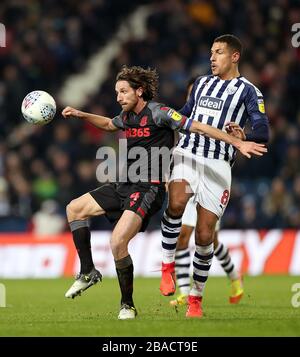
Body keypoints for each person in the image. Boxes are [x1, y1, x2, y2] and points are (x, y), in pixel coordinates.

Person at [62, 65, 266, 320]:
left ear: (140, 91)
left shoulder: (161, 113)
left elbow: (199, 127)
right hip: (122, 184)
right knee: (74, 208)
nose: (119, 97)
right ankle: (88, 271)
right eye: (117, 92)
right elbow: (107, 124)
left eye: (123, 92)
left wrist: (237, 141)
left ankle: (127, 305)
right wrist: (81, 114)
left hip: (148, 188)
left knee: (117, 242)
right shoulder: (126, 117)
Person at [160, 34, 269, 318]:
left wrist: (246, 135)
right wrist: (160, 120)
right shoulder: (200, 84)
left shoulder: (248, 91)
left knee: (205, 235)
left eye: (218, 52)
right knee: (176, 203)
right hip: (188, 153)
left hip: (219, 163)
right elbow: (185, 115)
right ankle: (167, 266)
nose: (212, 57)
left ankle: (196, 298)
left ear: (235, 57)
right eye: (211, 52)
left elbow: (262, 129)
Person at [170, 77, 244, 307]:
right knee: (182, 236)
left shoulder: (216, 123)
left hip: (210, 181)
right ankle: (183, 291)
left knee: (209, 239)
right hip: (187, 178)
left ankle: (234, 277)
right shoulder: (182, 123)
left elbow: (230, 151)